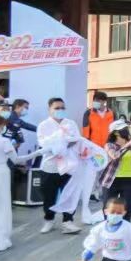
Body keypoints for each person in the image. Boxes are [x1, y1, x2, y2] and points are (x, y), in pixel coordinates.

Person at [0, 113, 39, 252]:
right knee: (3, 207)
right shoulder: (4, 141)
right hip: (1, 172)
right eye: (3, 126)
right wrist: (37, 154)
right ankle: (2, 240)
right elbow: (17, 160)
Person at [36, 97, 81, 234]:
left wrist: (63, 143)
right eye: (57, 108)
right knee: (49, 196)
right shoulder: (44, 125)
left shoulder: (71, 123)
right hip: (50, 166)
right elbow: (44, 144)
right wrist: (60, 142)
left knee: (68, 195)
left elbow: (76, 139)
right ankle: (49, 220)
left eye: (62, 108)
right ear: (49, 110)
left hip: (68, 166)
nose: (60, 110)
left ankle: (68, 221)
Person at [99, 125, 131, 221]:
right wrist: (128, 145)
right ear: (116, 133)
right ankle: (108, 228)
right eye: (125, 129)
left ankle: (125, 227)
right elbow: (114, 156)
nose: (128, 131)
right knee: (108, 207)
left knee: (128, 207)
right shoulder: (109, 145)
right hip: (111, 180)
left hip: (128, 179)